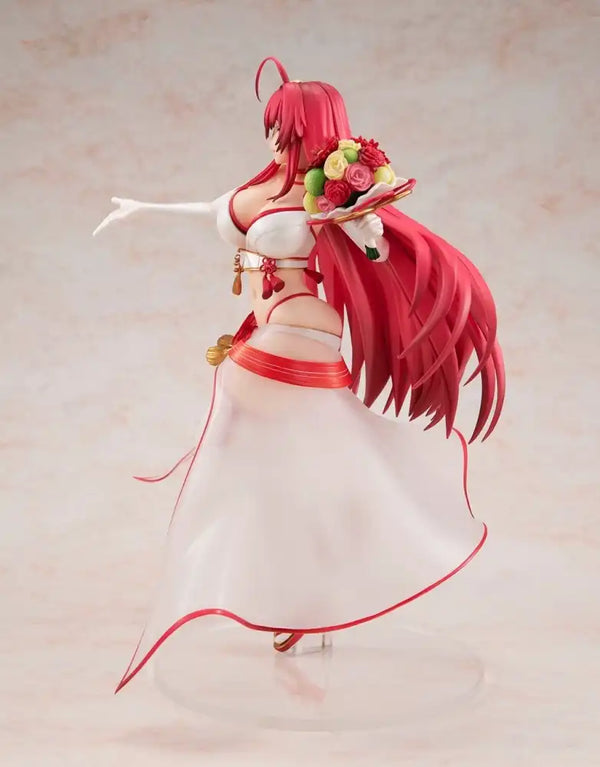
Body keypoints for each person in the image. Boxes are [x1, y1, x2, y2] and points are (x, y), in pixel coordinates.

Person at [94, 57, 505, 693]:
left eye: (284, 131)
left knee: (249, 441)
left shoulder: (329, 192)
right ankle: (310, 579)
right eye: (270, 130)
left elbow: (374, 250)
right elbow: (211, 210)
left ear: (311, 128)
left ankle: (313, 575)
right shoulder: (261, 190)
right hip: (269, 324)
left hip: (301, 326)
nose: (274, 142)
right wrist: (141, 208)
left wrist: (366, 225)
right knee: (284, 463)